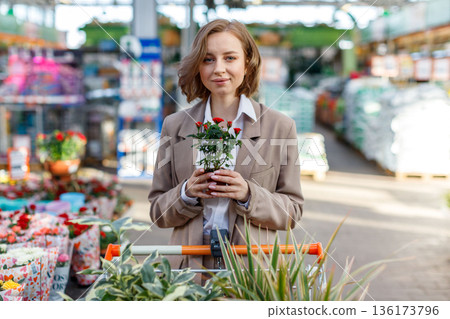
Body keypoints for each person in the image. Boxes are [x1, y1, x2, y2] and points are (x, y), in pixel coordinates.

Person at [148, 19, 303, 283]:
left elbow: (292, 212)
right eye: (208, 59)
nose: (219, 69)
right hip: (189, 269)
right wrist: (186, 193)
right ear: (198, 66)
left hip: (252, 271)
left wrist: (247, 194)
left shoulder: (280, 127)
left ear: (247, 63)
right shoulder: (174, 126)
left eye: (229, 58)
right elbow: (157, 212)